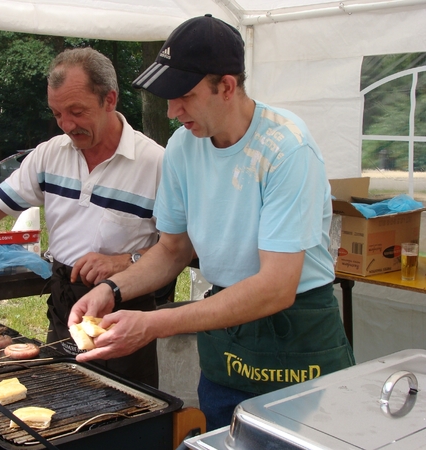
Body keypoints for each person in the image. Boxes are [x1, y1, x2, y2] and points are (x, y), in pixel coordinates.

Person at [68, 15, 355, 430]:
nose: (171, 111)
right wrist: (112, 289)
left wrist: (154, 324)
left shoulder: (287, 149)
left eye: (183, 95)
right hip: (226, 337)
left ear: (226, 86)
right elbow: (172, 249)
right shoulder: (185, 147)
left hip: (297, 339)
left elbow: (276, 287)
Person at [0, 47, 165, 387]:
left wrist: (128, 261)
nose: (67, 125)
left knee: (128, 413)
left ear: (110, 99)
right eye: (57, 113)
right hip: (65, 302)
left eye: (76, 112)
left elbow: (185, 247)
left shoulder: (156, 164)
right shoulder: (50, 154)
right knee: (61, 401)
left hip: (126, 310)